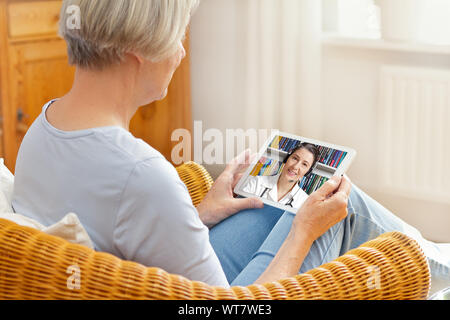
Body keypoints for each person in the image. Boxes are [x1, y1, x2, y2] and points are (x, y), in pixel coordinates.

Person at [11, 0, 449, 290]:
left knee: (298, 196)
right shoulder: (142, 174)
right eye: (177, 37)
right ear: (136, 53)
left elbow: (114, 236)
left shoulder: (42, 128)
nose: (181, 54)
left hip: (163, 282)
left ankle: (440, 259)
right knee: (336, 210)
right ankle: (440, 265)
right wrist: (304, 234)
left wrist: (201, 213)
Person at [242, 143, 319, 209]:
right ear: (286, 159)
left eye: (304, 164)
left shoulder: (305, 202)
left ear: (308, 172)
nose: (295, 166)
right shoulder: (257, 182)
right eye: (295, 158)